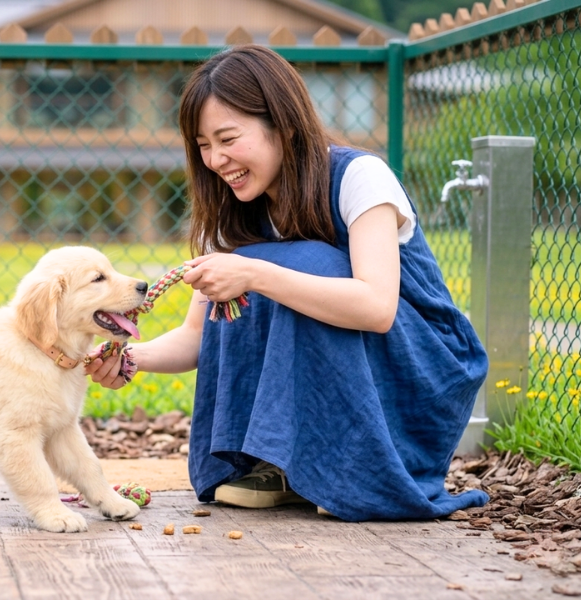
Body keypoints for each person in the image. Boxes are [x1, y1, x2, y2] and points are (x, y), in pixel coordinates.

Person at [84, 45, 489, 521]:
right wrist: (129, 358)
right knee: (282, 264)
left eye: (228, 138)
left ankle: (342, 465)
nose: (216, 159)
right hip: (359, 364)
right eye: (202, 145)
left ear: (284, 124)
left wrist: (254, 273)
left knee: (306, 261)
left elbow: (378, 306)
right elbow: (199, 336)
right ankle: (278, 464)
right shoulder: (231, 213)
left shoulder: (359, 176)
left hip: (418, 371)